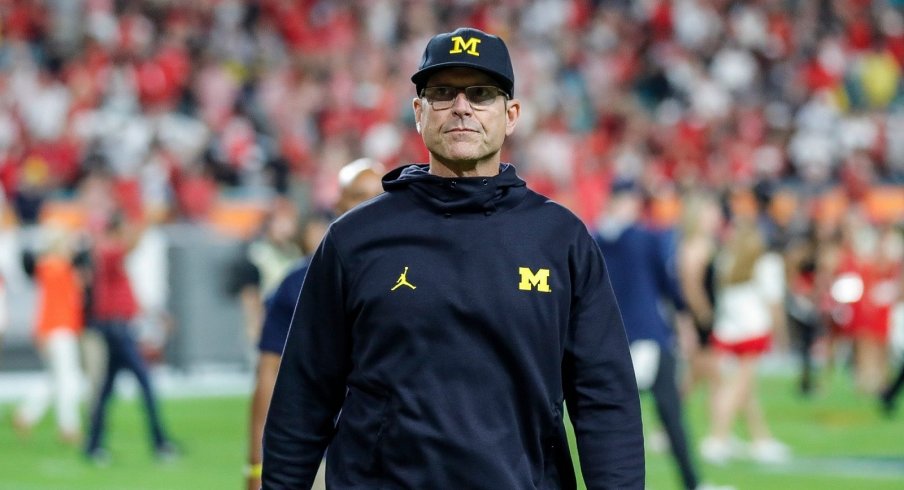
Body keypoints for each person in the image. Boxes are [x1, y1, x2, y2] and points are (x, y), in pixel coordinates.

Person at [262, 27, 644, 489]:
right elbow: (304, 395)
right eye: (443, 93)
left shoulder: (560, 239)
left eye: (480, 94)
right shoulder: (354, 238)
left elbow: (604, 396)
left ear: (512, 115)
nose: (461, 107)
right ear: (419, 113)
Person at [246, 158, 384, 490]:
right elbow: (269, 372)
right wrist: (255, 464)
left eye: (378, 197)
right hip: (326, 454)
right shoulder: (299, 282)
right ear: (338, 204)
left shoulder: (411, 276)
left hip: (392, 456)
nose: (369, 206)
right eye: (358, 196)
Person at [594, 180, 713, 490]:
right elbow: (669, 286)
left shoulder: (596, 238)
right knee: (670, 416)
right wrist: (685, 321)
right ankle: (692, 483)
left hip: (610, 338)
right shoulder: (645, 238)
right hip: (649, 334)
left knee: (611, 418)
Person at [83, 211, 176, 464]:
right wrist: (145, 218)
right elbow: (132, 243)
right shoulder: (108, 250)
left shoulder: (107, 251)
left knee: (106, 391)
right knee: (144, 383)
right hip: (116, 327)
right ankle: (160, 443)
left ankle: (93, 446)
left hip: (118, 326)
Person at [700, 210, 790, 465]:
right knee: (738, 388)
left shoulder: (725, 258)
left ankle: (761, 440)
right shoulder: (767, 262)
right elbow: (774, 305)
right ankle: (717, 438)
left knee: (744, 390)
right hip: (752, 331)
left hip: (727, 329)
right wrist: (781, 336)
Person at [13, 225, 86, 445]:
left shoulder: (51, 267)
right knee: (68, 379)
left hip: (56, 328)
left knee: (55, 378)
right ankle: (68, 427)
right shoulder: (55, 266)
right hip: (58, 328)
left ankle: (26, 414)